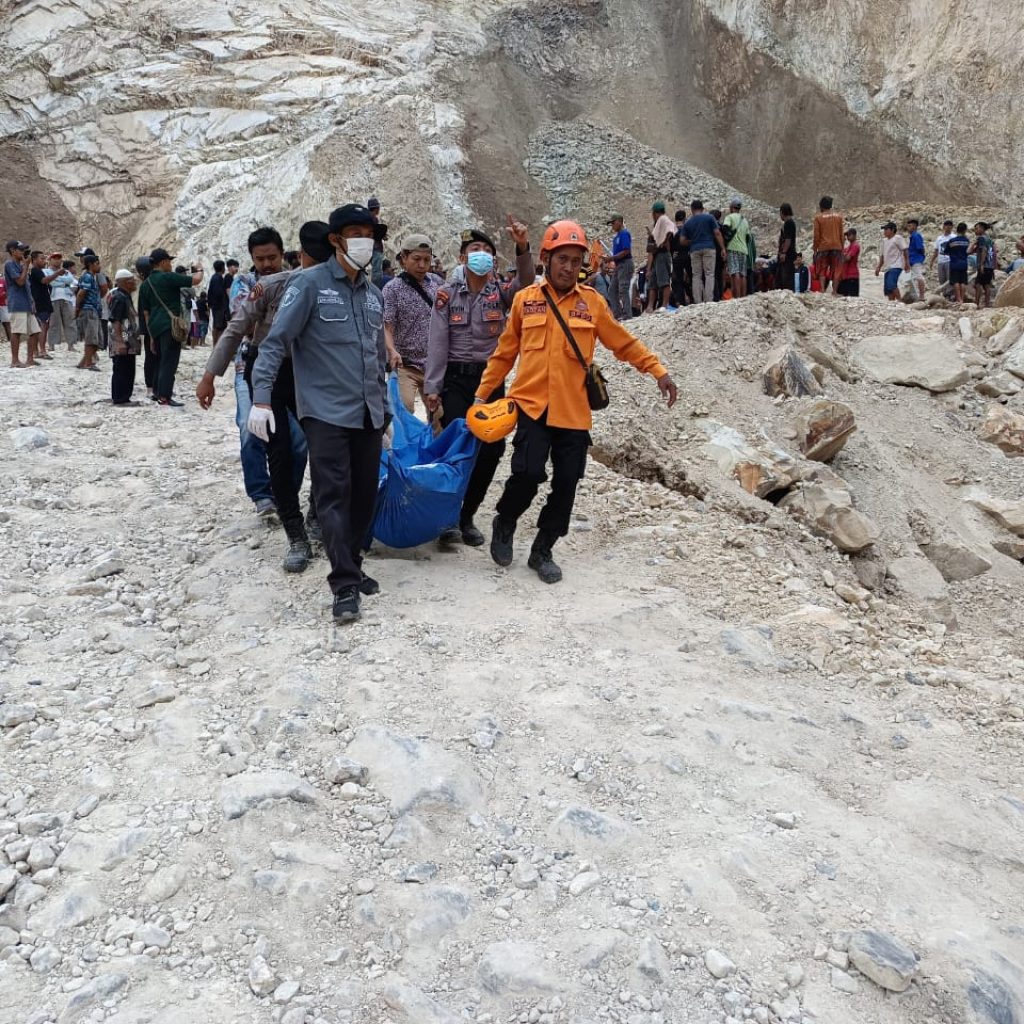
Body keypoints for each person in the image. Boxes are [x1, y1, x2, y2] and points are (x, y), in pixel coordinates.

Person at [478, 220, 677, 584]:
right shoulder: (525, 302)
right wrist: (481, 395)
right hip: (532, 407)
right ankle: (505, 520)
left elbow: (624, 343)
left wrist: (657, 370)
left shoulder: (593, 304)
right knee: (527, 473)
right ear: (546, 259)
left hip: (573, 412)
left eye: (575, 259)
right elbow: (504, 355)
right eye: (562, 259)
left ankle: (543, 549)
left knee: (567, 482)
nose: (569, 267)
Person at [250, 204, 388, 623]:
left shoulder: (373, 294)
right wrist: (259, 398)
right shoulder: (308, 285)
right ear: (335, 239)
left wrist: (387, 416)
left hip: (368, 413)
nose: (365, 240)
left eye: (370, 232)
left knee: (365, 496)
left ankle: (354, 561)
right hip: (324, 412)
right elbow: (275, 343)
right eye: (356, 232)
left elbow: (376, 357)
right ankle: (344, 583)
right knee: (332, 495)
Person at [199, 224, 321, 561]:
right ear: (252, 259)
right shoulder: (262, 289)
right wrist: (210, 376)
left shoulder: (313, 283)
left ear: (284, 255)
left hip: (309, 374)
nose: (266, 264)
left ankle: (314, 516)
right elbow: (235, 330)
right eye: (259, 259)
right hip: (267, 374)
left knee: (323, 447)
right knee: (278, 449)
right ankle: (294, 531)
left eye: (271, 257)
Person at [424, 216, 534, 547]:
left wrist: (522, 247)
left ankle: (466, 515)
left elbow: (526, 285)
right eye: (475, 249)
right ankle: (446, 519)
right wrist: (432, 389)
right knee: (457, 448)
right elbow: (437, 342)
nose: (481, 254)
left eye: (487, 249)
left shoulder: (499, 292)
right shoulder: (446, 294)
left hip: (490, 383)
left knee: (492, 449)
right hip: (456, 381)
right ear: (462, 258)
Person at [382, 233, 442, 414]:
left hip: (433, 365)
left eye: (427, 259)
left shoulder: (437, 284)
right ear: (403, 259)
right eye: (416, 259)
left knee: (440, 415)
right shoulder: (392, 289)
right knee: (403, 409)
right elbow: (387, 326)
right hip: (405, 365)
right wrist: (391, 350)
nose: (422, 265)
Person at [138, 247, 203, 406]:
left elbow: (146, 313)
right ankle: (165, 396)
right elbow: (196, 280)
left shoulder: (146, 284)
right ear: (163, 262)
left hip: (154, 327)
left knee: (159, 360)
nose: (171, 265)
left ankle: (156, 392)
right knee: (170, 361)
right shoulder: (168, 277)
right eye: (169, 261)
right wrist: (200, 269)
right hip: (170, 325)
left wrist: (152, 336)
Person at [679, 200, 726, 304]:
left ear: (692, 209)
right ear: (702, 208)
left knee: (696, 275)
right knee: (709, 273)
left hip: (694, 250)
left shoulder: (688, 223)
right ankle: (709, 299)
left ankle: (698, 301)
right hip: (709, 247)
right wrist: (722, 248)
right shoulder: (709, 218)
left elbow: (682, 241)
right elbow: (717, 233)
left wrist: (691, 242)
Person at [108, 269, 141, 405]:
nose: (135, 283)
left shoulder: (124, 296)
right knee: (122, 368)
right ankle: (120, 398)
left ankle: (122, 397)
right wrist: (120, 342)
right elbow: (116, 320)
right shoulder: (120, 298)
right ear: (125, 282)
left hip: (127, 337)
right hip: (123, 337)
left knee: (127, 367)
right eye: (132, 280)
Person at [4, 241, 40, 367]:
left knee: (35, 331)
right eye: (20, 250)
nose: (23, 252)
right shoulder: (9, 264)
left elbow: (26, 285)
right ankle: (15, 361)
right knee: (17, 331)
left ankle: (30, 359)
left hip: (26, 302)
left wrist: (32, 301)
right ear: (12, 251)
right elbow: (19, 282)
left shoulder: (19, 264)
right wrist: (25, 266)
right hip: (17, 302)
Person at [74, 249, 106, 371]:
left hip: (93, 309)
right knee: (91, 338)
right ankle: (88, 363)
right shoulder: (87, 277)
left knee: (95, 338)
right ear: (91, 265)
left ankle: (84, 362)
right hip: (89, 310)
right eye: (97, 263)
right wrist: (77, 308)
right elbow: (81, 293)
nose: (99, 266)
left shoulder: (91, 276)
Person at [646, 202, 677, 312]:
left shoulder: (663, 219)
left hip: (663, 254)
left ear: (654, 213)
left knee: (664, 281)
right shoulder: (659, 223)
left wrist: (664, 241)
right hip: (657, 255)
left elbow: (670, 229)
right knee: (653, 283)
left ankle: (664, 305)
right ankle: (650, 307)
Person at [812, 196, 844, 294]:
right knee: (836, 269)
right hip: (837, 246)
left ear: (821, 206)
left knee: (822, 269)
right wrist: (842, 247)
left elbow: (817, 235)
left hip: (823, 247)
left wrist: (815, 248)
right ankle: (834, 291)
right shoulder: (839, 217)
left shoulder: (818, 218)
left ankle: (822, 289)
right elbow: (841, 234)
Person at [722, 198, 751, 299]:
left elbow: (725, 229)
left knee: (735, 272)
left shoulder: (729, 217)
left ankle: (737, 297)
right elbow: (748, 237)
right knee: (743, 274)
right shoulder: (745, 220)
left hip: (733, 248)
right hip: (743, 250)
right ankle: (743, 297)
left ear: (731, 207)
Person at [27, 252, 55, 359]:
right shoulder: (36, 271)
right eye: (42, 258)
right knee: (43, 326)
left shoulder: (37, 271)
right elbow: (44, 281)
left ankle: (36, 351)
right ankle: (42, 350)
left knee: (39, 326)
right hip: (41, 302)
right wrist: (57, 274)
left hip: (41, 301)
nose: (44, 261)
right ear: (34, 260)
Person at [606, 215, 633, 320]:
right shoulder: (616, 237)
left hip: (625, 263)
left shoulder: (624, 234)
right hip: (618, 265)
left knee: (623, 288)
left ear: (620, 222)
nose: (612, 225)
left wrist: (611, 258)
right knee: (612, 290)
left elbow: (626, 251)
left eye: (613, 223)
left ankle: (627, 314)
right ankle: (617, 314)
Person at [48, 256, 77, 351]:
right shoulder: (47, 271)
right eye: (54, 258)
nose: (57, 260)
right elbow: (51, 282)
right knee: (53, 323)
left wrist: (57, 280)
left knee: (70, 322)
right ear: (50, 260)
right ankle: (52, 344)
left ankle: (71, 344)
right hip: (53, 298)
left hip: (67, 298)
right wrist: (63, 283)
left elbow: (70, 280)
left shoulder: (67, 272)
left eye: (59, 258)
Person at [875, 222, 909, 301]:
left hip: (896, 265)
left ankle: (900, 301)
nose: (884, 231)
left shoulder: (898, 238)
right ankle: (892, 304)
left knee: (891, 284)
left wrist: (907, 263)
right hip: (887, 267)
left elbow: (905, 250)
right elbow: (882, 255)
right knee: (888, 289)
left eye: (886, 229)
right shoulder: (884, 241)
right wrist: (878, 267)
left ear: (893, 230)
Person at [941, 222, 971, 304]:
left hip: (954, 263)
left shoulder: (952, 241)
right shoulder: (967, 241)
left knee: (956, 281)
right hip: (964, 263)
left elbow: (945, 251)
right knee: (963, 282)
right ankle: (963, 298)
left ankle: (959, 299)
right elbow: (969, 251)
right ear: (965, 230)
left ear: (957, 230)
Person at [969, 222, 995, 308]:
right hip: (990, 265)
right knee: (987, 285)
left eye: (976, 228)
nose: (975, 230)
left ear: (982, 229)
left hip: (984, 265)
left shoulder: (981, 238)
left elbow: (983, 250)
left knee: (978, 284)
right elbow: (994, 252)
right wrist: (993, 265)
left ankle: (976, 303)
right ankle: (987, 304)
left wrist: (982, 264)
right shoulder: (990, 239)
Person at [207, 260, 230, 344]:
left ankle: (217, 345)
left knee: (219, 326)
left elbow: (210, 292)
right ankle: (216, 345)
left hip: (217, 306)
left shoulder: (214, 277)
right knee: (218, 326)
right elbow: (218, 293)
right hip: (219, 306)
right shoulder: (218, 278)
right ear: (222, 268)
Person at [929, 220, 956, 292]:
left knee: (949, 279)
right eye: (946, 225)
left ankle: (950, 295)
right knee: (941, 279)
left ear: (952, 227)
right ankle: (944, 295)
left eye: (950, 225)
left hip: (950, 260)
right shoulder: (939, 238)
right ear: (943, 227)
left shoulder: (954, 237)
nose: (948, 227)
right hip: (940, 261)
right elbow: (936, 250)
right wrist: (932, 261)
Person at [777, 203, 797, 290]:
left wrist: (783, 253)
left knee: (786, 277)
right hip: (789, 254)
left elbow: (788, 240)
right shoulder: (790, 223)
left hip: (788, 255)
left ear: (782, 212)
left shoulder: (788, 223)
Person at [905, 218, 927, 300]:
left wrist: (920, 256)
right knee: (911, 277)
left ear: (914, 226)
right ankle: (914, 295)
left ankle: (922, 296)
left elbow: (920, 248)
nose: (908, 228)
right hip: (912, 259)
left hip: (916, 259)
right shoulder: (912, 236)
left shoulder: (916, 236)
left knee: (919, 277)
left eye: (909, 226)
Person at [367, 197, 386, 287]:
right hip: (375, 248)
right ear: (377, 208)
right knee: (377, 271)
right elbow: (375, 233)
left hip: (369, 247)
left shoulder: (366, 218)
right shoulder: (373, 218)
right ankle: (376, 289)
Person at [837, 229, 861, 297]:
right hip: (845, 276)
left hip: (852, 276)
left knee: (852, 298)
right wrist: (842, 240)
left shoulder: (855, 246)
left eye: (849, 235)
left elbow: (847, 258)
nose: (847, 237)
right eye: (847, 235)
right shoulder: (848, 247)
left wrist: (842, 257)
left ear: (854, 235)